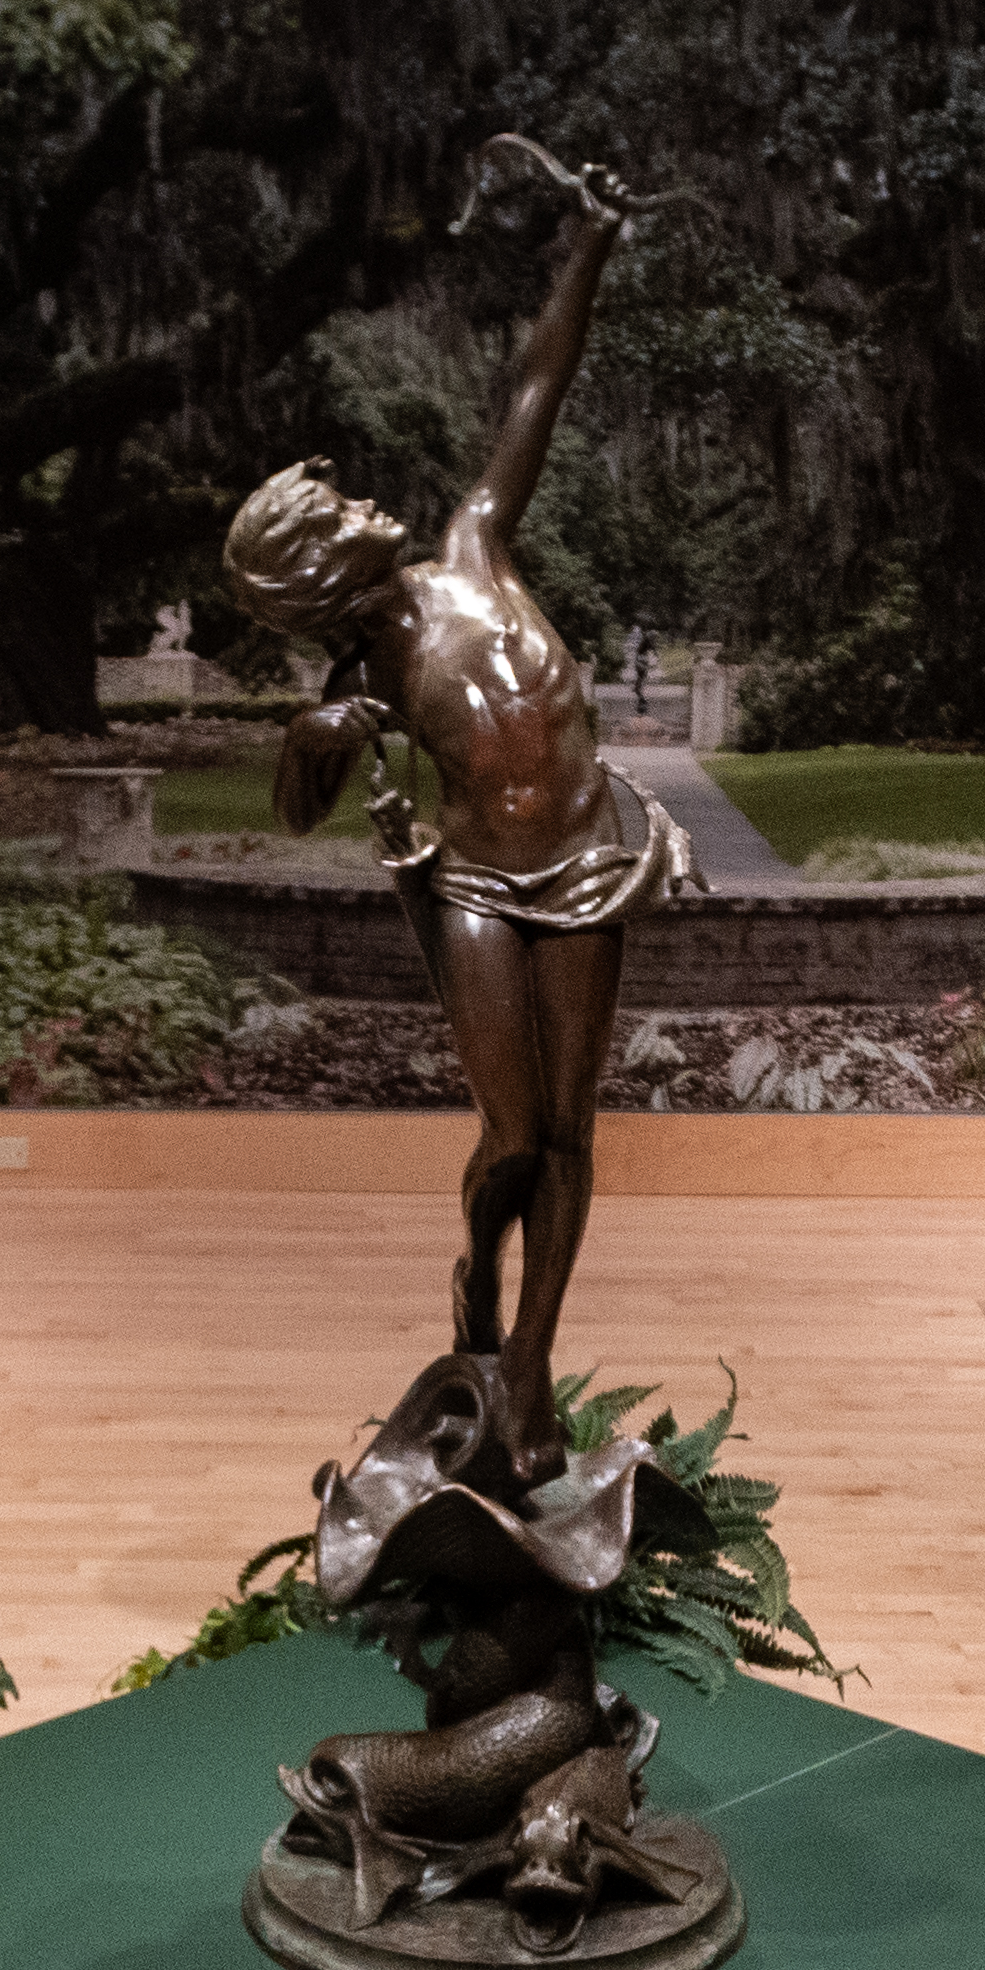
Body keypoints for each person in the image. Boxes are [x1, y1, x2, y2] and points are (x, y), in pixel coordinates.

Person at [223, 138, 706, 1475]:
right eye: (338, 509)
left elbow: (535, 382)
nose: (369, 503)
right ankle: (474, 1287)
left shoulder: (475, 544)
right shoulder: (362, 682)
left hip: (591, 861)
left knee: (572, 1132)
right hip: (483, 885)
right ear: (319, 571)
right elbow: (292, 802)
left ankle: (534, 1367)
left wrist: (591, 244)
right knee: (510, 1131)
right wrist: (320, 728)